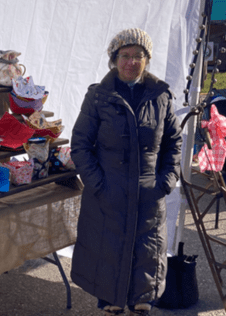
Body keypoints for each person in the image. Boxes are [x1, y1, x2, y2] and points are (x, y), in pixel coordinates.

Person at [70, 28, 183, 316]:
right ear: (114, 59)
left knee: (146, 245)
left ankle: (142, 297)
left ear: (147, 60)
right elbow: (81, 145)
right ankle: (111, 298)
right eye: (125, 55)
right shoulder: (98, 96)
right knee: (109, 245)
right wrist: (97, 183)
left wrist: (166, 181)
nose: (131, 61)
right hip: (109, 189)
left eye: (138, 56)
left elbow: (173, 142)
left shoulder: (161, 95)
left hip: (149, 189)